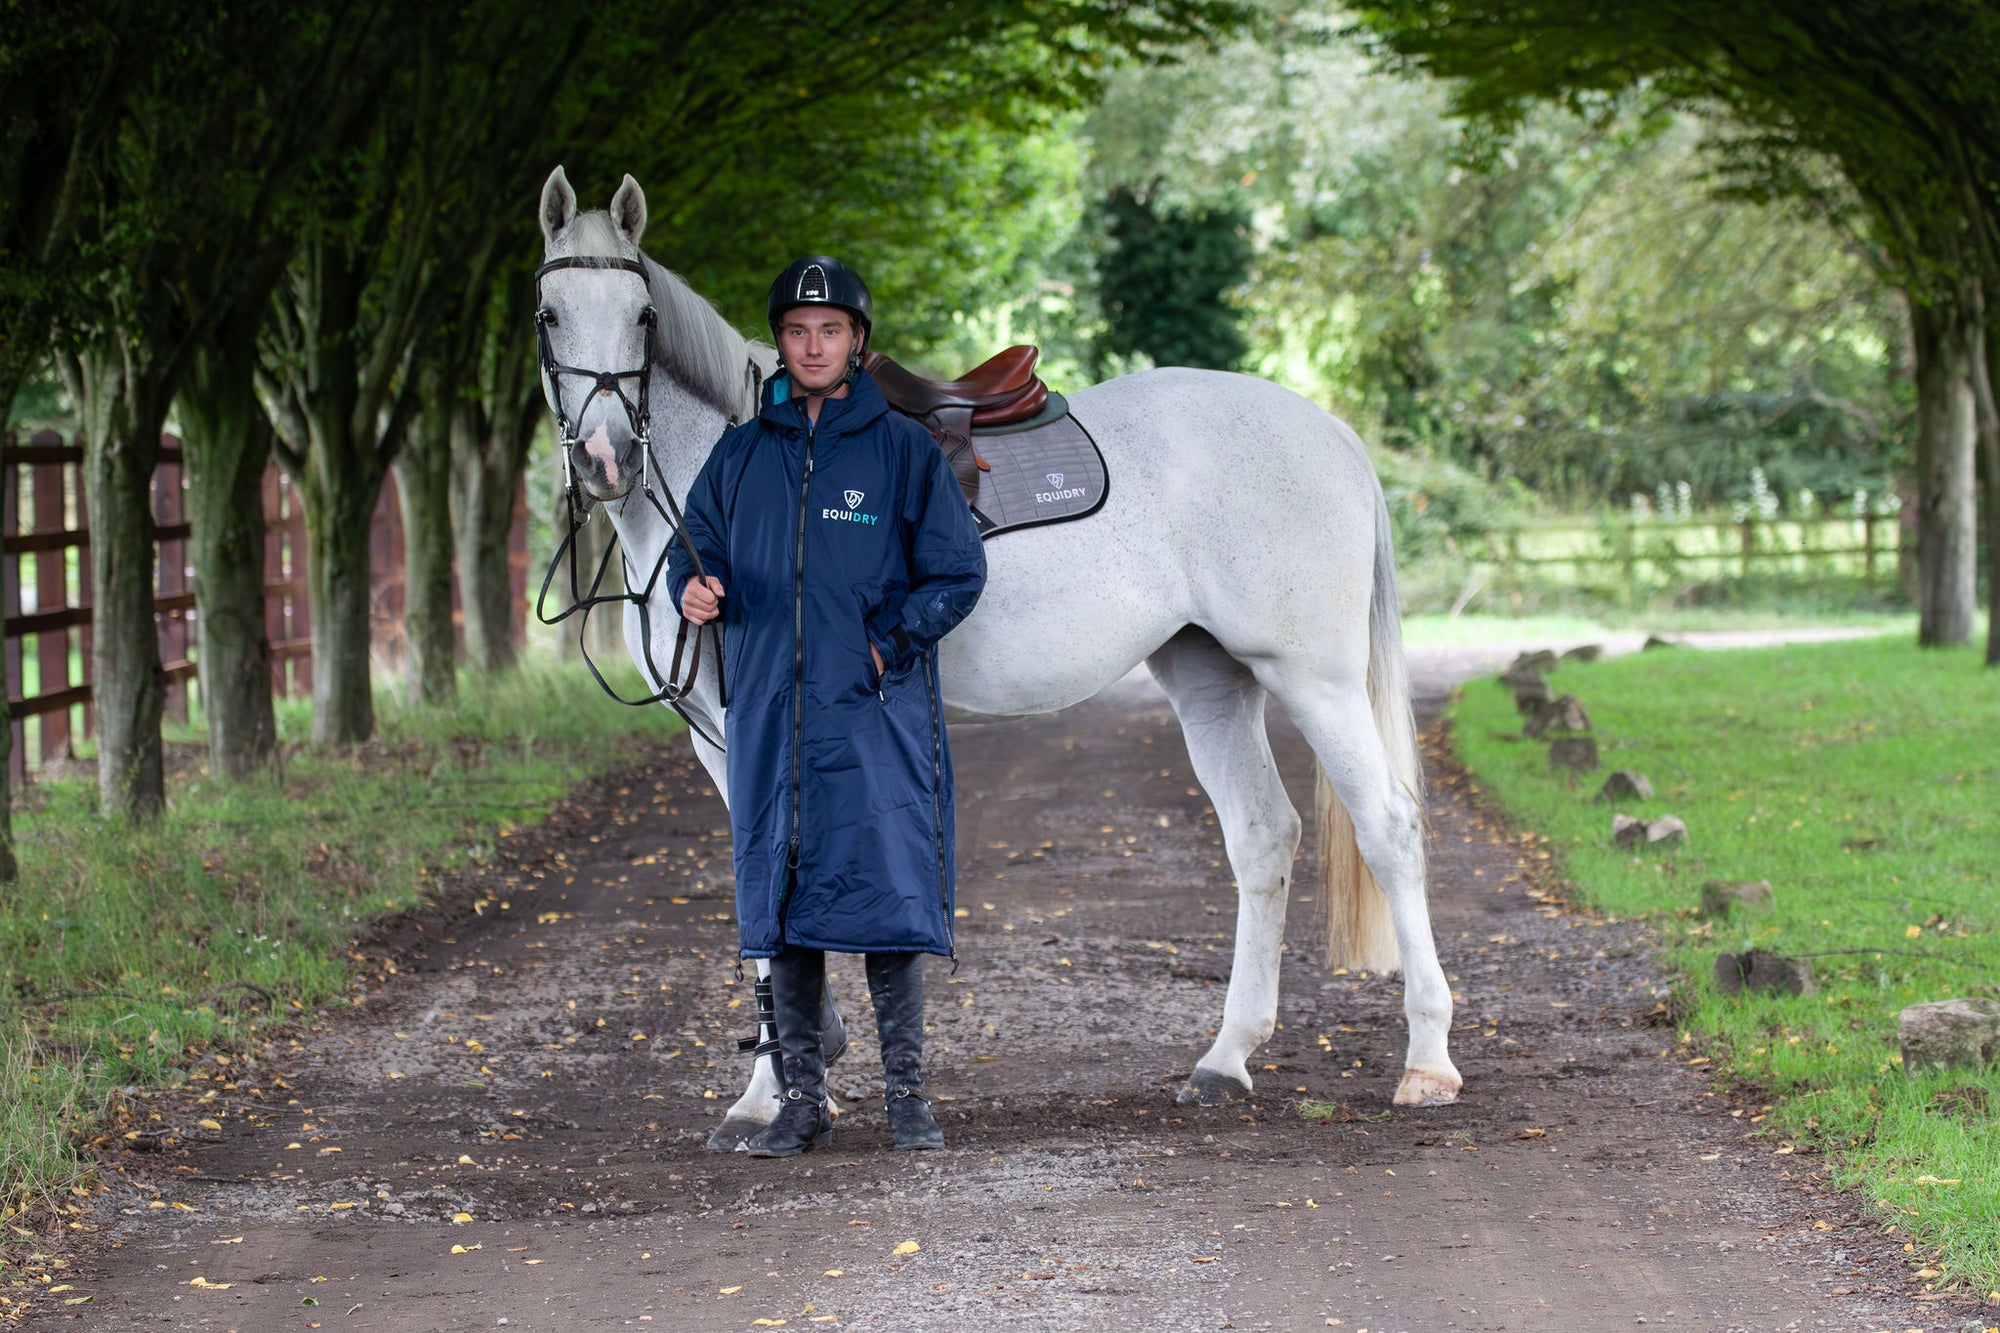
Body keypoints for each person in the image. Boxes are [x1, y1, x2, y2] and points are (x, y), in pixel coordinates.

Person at [665, 256, 986, 1156]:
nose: (813, 345)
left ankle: (909, 1100)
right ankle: (802, 1102)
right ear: (781, 341)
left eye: (831, 330)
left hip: (870, 711)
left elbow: (959, 573)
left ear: (856, 343)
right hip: (771, 711)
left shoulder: (901, 451)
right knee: (789, 893)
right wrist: (693, 584)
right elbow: (693, 549)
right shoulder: (741, 453)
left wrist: (889, 641)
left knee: (886, 892)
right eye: (799, 331)